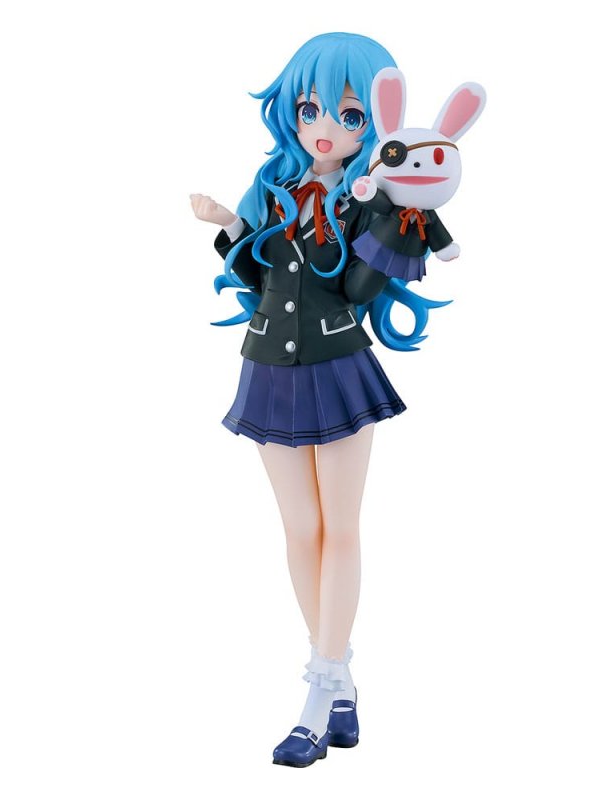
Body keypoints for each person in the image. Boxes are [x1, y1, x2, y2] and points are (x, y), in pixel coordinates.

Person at [190, 32, 445, 768]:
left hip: (337, 366)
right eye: (311, 110)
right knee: (301, 531)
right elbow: (257, 277)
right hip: (269, 366)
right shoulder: (272, 187)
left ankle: (318, 694)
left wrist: (401, 229)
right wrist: (230, 227)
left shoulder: (368, 201)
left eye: (350, 114)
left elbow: (356, 292)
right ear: (292, 115)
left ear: (374, 124)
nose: (325, 127)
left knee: (341, 527)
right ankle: (342, 685)